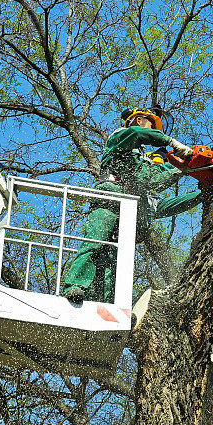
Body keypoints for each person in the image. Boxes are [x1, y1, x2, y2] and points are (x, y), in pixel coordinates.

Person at [62, 107, 200, 303]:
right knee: (95, 241)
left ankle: (110, 305)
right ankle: (75, 285)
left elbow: (158, 189)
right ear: (138, 120)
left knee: (114, 262)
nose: (154, 133)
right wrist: (170, 141)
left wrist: (189, 171)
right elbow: (138, 135)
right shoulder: (121, 137)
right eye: (151, 127)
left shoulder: (141, 162)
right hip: (109, 197)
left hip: (129, 207)